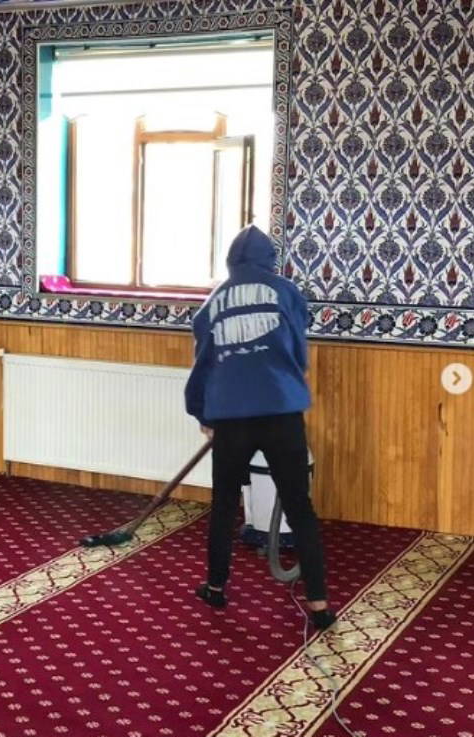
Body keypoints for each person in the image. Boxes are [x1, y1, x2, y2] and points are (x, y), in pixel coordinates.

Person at [185, 224, 335, 630]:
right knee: (299, 506)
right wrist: (290, 378)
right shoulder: (287, 292)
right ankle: (319, 604)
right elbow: (298, 350)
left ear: (230, 261)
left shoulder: (213, 302)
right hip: (281, 413)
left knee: (224, 504)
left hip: (231, 417)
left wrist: (202, 414)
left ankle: (215, 587)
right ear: (270, 259)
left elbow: (203, 364)